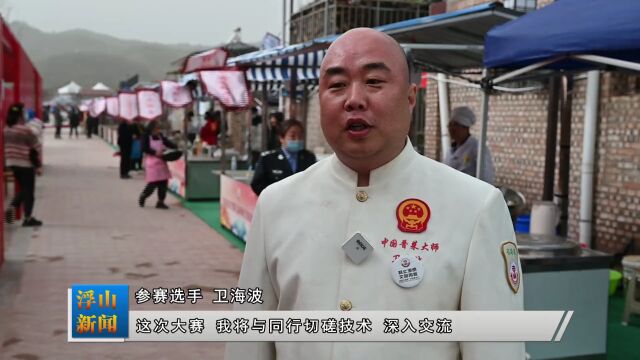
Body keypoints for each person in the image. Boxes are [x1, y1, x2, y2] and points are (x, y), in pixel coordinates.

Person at [225, 28, 524, 360]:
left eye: (374, 82)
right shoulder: (276, 203)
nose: (354, 98)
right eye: (337, 85)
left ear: (411, 98)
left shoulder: (475, 207)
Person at [250, 118, 316, 195]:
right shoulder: (268, 159)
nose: (297, 140)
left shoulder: (309, 157)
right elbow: (257, 185)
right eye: (292, 136)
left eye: (300, 136)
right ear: (281, 138)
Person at [4, 103, 43, 227]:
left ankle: (9, 215)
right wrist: (38, 165)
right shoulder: (25, 130)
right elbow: (35, 147)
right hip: (25, 163)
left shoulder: (6, 129)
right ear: (21, 115)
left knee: (23, 190)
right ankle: (27, 218)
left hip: (11, 162)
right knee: (29, 191)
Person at [444, 106, 496, 185]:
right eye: (450, 125)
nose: (451, 128)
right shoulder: (451, 150)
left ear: (465, 127)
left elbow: (486, 179)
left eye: (455, 125)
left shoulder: (478, 149)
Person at [138, 121, 177, 209]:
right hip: (152, 162)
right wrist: (154, 152)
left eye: (159, 128)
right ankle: (144, 195)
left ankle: (160, 202)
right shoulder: (146, 136)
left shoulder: (160, 135)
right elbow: (144, 148)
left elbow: (167, 143)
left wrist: (176, 146)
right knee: (153, 182)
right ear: (152, 128)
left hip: (162, 161)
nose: (158, 130)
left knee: (163, 183)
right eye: (156, 128)